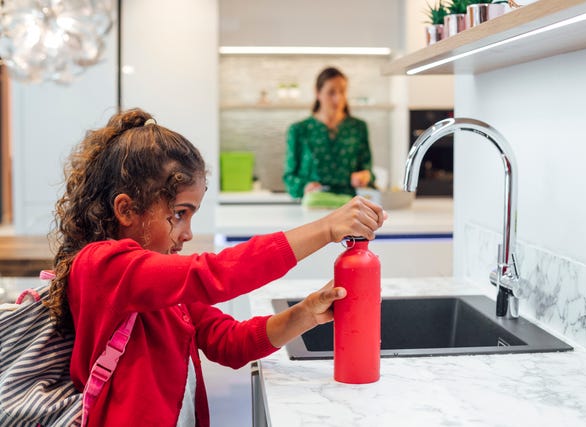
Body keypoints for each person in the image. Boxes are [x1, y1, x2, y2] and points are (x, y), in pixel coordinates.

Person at [45, 108, 386, 426]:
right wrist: (324, 229)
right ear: (127, 209)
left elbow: (231, 342)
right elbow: (215, 274)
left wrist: (306, 312)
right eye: (180, 213)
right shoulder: (101, 267)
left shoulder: (164, 287)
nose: (188, 233)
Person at [283, 66, 375, 199]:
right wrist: (304, 187)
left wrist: (365, 177)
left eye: (342, 92)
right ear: (317, 92)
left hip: (350, 206)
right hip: (313, 204)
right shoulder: (298, 130)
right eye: (331, 92)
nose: (338, 98)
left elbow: (369, 172)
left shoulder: (358, 127)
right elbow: (289, 177)